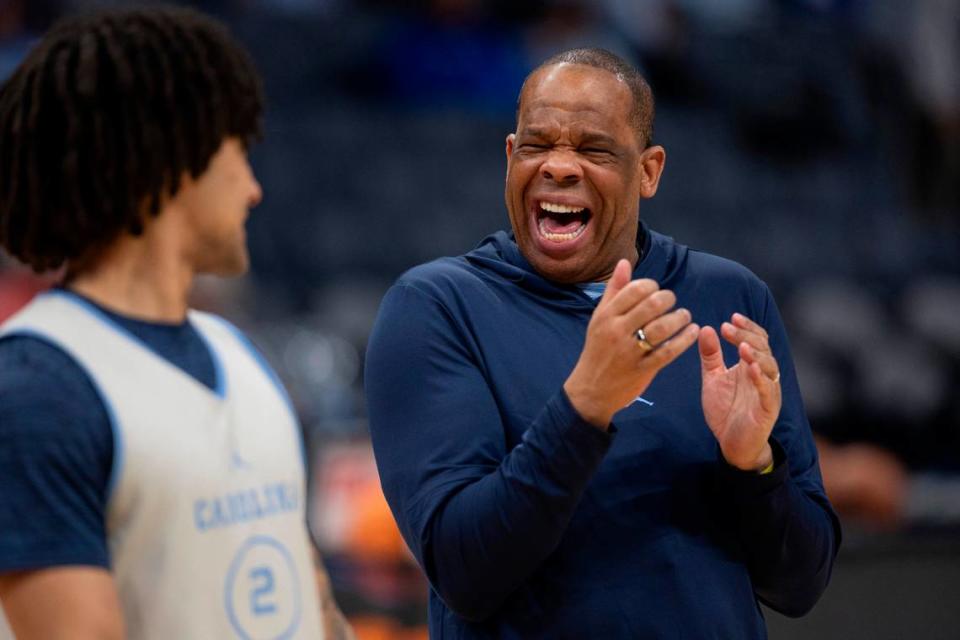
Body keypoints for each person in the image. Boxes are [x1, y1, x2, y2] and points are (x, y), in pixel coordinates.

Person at [365, 48, 841, 638]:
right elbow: (466, 572)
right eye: (538, 145)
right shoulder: (437, 308)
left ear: (649, 170)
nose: (560, 167)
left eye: (593, 149)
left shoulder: (730, 298)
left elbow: (802, 584)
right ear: (510, 158)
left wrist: (753, 465)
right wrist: (586, 405)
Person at [0, 7, 353, 639]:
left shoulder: (238, 353)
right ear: (171, 157)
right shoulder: (35, 388)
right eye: (238, 152)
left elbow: (311, 603)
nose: (253, 189)